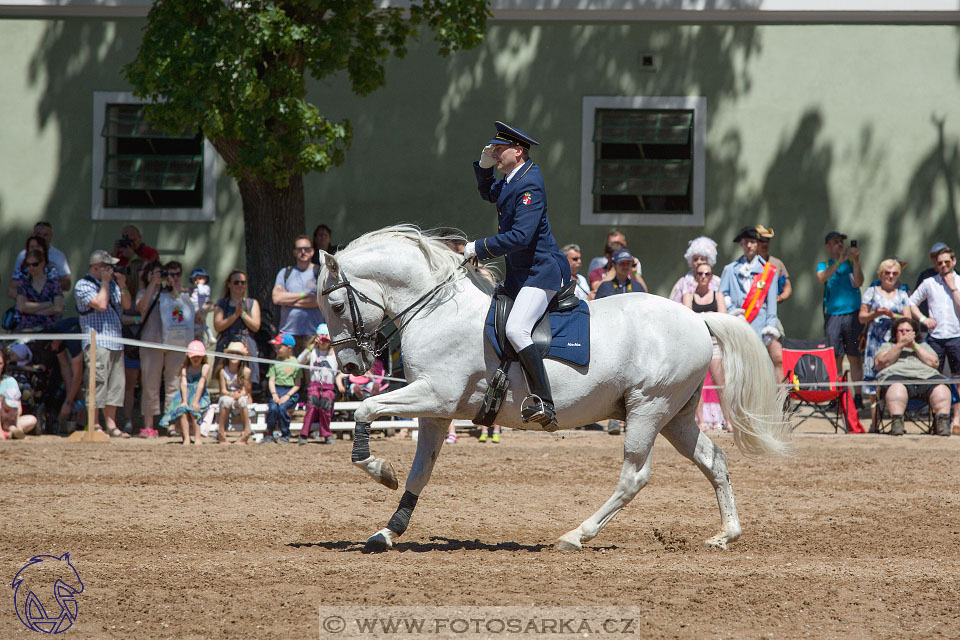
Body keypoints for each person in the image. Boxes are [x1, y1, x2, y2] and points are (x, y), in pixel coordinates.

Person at [462, 121, 571, 429]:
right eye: (493, 150)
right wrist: (483, 168)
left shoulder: (530, 184)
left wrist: (478, 247)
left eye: (500, 149)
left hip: (541, 271)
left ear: (518, 151)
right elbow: (489, 194)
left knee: (516, 330)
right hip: (520, 273)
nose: (495, 154)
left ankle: (544, 401)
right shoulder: (513, 179)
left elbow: (521, 236)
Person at [136, 260, 195, 437]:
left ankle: (171, 423)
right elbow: (141, 307)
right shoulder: (149, 292)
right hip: (152, 343)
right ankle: (148, 425)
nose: (173, 277)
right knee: (150, 384)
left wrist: (176, 289)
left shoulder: (182, 294)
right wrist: (154, 284)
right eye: (169, 274)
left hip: (176, 344)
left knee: (174, 384)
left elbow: (190, 313)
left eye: (177, 274)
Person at [74, 249, 129, 438]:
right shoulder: (83, 285)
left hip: (115, 341)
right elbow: (101, 304)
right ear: (97, 267)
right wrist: (105, 282)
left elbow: (127, 305)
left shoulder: (112, 284)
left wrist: (122, 286)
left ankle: (111, 424)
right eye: (108, 267)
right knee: (97, 382)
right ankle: (94, 423)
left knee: (115, 384)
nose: (112, 270)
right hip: (97, 341)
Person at [718, 226, 782, 377]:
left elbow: (771, 302)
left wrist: (770, 326)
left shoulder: (768, 271)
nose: (749, 245)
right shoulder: (730, 269)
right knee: (738, 366)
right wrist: (733, 310)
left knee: (760, 368)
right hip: (738, 322)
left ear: (758, 244)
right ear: (741, 244)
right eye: (745, 242)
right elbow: (722, 293)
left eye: (752, 242)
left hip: (759, 324)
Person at [909, 245, 960, 432]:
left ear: (953, 261)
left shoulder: (959, 281)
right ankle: (936, 419)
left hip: (957, 336)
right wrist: (923, 319)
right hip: (936, 338)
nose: (944, 265)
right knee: (933, 378)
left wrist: (954, 288)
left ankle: (957, 419)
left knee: (958, 379)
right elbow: (911, 302)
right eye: (940, 263)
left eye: (947, 262)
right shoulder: (929, 282)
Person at [859, 258, 918, 420]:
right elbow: (862, 317)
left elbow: (908, 319)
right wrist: (875, 314)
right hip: (875, 340)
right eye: (887, 273)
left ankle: (895, 417)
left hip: (895, 340)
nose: (891, 276)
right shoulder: (872, 291)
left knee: (896, 375)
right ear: (880, 274)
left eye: (894, 273)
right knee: (872, 378)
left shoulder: (902, 293)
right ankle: (875, 420)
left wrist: (894, 316)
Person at [874, 317, 951, 436]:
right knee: (896, 388)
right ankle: (897, 423)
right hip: (897, 377)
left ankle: (942, 424)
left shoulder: (923, 346)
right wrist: (900, 345)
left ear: (914, 333)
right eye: (901, 331)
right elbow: (881, 363)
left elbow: (934, 363)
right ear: (895, 333)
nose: (904, 333)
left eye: (908, 331)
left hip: (926, 377)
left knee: (941, 388)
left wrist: (914, 346)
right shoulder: (888, 345)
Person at [817, 231, 864, 406]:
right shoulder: (825, 264)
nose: (839, 244)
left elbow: (859, 282)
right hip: (833, 315)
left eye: (841, 242)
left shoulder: (852, 263)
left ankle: (857, 396)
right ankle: (838, 395)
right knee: (835, 357)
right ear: (828, 246)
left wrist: (856, 261)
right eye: (835, 242)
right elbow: (822, 277)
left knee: (854, 356)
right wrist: (839, 262)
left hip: (853, 314)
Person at [682, 263, 728, 432]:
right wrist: (709, 316)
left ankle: (728, 420)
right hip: (696, 344)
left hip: (714, 341)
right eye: (700, 273)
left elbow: (723, 317)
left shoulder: (718, 295)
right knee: (697, 384)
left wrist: (700, 317)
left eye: (707, 273)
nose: (703, 276)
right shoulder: (688, 295)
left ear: (711, 276)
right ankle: (700, 421)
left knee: (720, 383)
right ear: (695, 275)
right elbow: (687, 318)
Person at [272, 235, 324, 353]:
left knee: (311, 371)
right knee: (289, 370)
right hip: (287, 333)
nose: (303, 252)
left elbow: (318, 300)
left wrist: (288, 299)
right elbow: (276, 299)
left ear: (312, 252)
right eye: (299, 249)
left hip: (313, 333)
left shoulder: (320, 272)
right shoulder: (285, 273)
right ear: (294, 252)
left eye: (307, 249)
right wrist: (304, 295)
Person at [297, 323, 344, 445]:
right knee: (312, 405)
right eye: (321, 337)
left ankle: (327, 434)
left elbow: (346, 368)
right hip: (314, 385)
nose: (323, 341)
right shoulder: (312, 352)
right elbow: (299, 361)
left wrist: (340, 378)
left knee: (325, 405)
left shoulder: (334, 354)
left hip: (329, 387)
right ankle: (304, 434)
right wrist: (312, 346)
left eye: (326, 338)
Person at [213, 269, 262, 383]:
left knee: (247, 380)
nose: (240, 285)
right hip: (226, 343)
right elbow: (218, 326)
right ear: (229, 284)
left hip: (246, 344)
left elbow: (256, 326)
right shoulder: (221, 303)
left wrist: (243, 314)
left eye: (243, 282)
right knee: (224, 379)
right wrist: (235, 315)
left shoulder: (252, 303)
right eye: (236, 282)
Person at [158, 341, 211, 446]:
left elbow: (201, 384)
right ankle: (186, 437)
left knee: (194, 411)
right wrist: (184, 401)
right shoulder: (185, 369)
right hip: (185, 395)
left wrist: (195, 401)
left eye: (198, 356)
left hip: (199, 396)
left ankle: (197, 437)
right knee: (182, 410)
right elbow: (184, 384)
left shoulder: (205, 367)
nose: (196, 359)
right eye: (193, 356)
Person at [262, 332, 300, 444]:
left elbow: (297, 384)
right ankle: (270, 433)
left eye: (279, 347)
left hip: (290, 391)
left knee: (283, 408)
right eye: (276, 348)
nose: (276, 350)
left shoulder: (295, 363)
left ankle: (285, 433)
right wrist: (274, 394)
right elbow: (271, 380)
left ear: (289, 348)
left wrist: (287, 396)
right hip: (277, 390)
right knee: (273, 409)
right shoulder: (274, 362)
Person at [11, 222, 71, 292]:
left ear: (51, 236)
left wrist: (44, 286)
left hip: (49, 300)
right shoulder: (22, 256)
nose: (42, 238)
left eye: (45, 235)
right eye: (39, 234)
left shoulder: (58, 257)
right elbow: (14, 284)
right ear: (33, 235)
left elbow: (67, 284)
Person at [15, 248, 63, 331]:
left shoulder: (53, 282)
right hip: (27, 327)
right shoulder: (23, 282)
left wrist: (31, 310)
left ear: (43, 263)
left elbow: (58, 308)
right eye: (28, 264)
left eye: (35, 264)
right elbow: (21, 306)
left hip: (49, 328)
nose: (31, 267)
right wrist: (47, 304)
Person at [215, 341, 253, 445]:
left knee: (242, 401)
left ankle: (246, 431)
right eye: (231, 354)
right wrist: (232, 394)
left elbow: (246, 390)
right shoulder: (223, 371)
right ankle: (221, 431)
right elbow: (223, 390)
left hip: (240, 394)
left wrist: (239, 394)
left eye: (237, 354)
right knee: (226, 401)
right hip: (228, 394)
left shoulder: (246, 371)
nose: (234, 356)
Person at [7, 234, 60, 304]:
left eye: (38, 246)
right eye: (32, 247)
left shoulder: (51, 269)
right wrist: (28, 302)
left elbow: (56, 292)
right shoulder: (22, 269)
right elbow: (11, 290)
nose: (35, 249)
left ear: (43, 249)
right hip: (26, 309)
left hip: (47, 310)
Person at [668, 236, 720, 303]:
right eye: (695, 259)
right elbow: (674, 306)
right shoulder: (683, 283)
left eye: (702, 259)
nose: (699, 262)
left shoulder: (717, 282)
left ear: (709, 260)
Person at [755, 226, 793, 306]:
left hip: (769, 311)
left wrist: (781, 298)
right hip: (749, 310)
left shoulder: (777, 263)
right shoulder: (746, 263)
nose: (765, 244)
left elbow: (787, 286)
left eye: (767, 240)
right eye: (762, 240)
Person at [0, 365, 37, 440]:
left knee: (30, 420)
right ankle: (9, 434)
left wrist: (22, 434)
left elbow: (17, 420)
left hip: (8, 423)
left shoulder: (10, 382)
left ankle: (12, 433)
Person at [914, 241, 947, 318]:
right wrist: (922, 319)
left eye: (941, 255)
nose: (938, 259)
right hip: (929, 326)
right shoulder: (925, 276)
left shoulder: (957, 277)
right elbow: (913, 302)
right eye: (934, 256)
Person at [189, 267, 214, 342]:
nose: (197, 281)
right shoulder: (193, 290)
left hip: (202, 308)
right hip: (194, 309)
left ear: (205, 279)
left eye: (199, 278)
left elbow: (202, 293)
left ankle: (210, 337)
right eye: (195, 279)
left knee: (203, 324)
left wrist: (200, 284)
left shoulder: (206, 287)